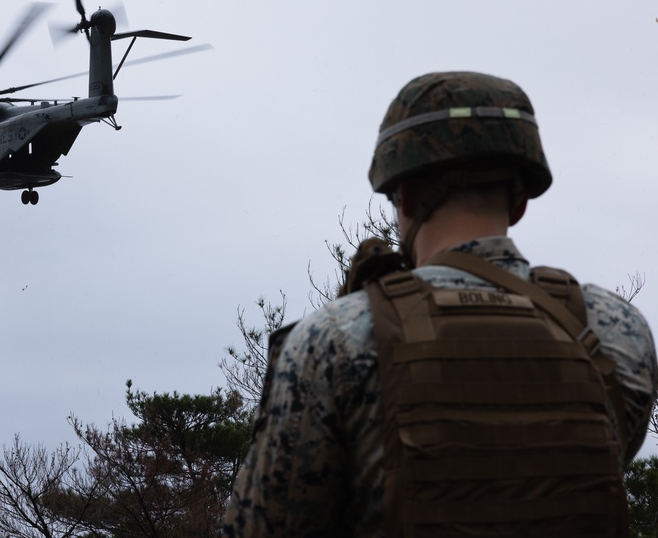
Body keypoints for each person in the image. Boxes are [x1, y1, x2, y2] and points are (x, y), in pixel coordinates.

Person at [223, 71, 658, 537]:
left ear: (404, 195)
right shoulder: (615, 331)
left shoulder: (335, 340)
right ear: (519, 204)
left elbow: (265, 525)